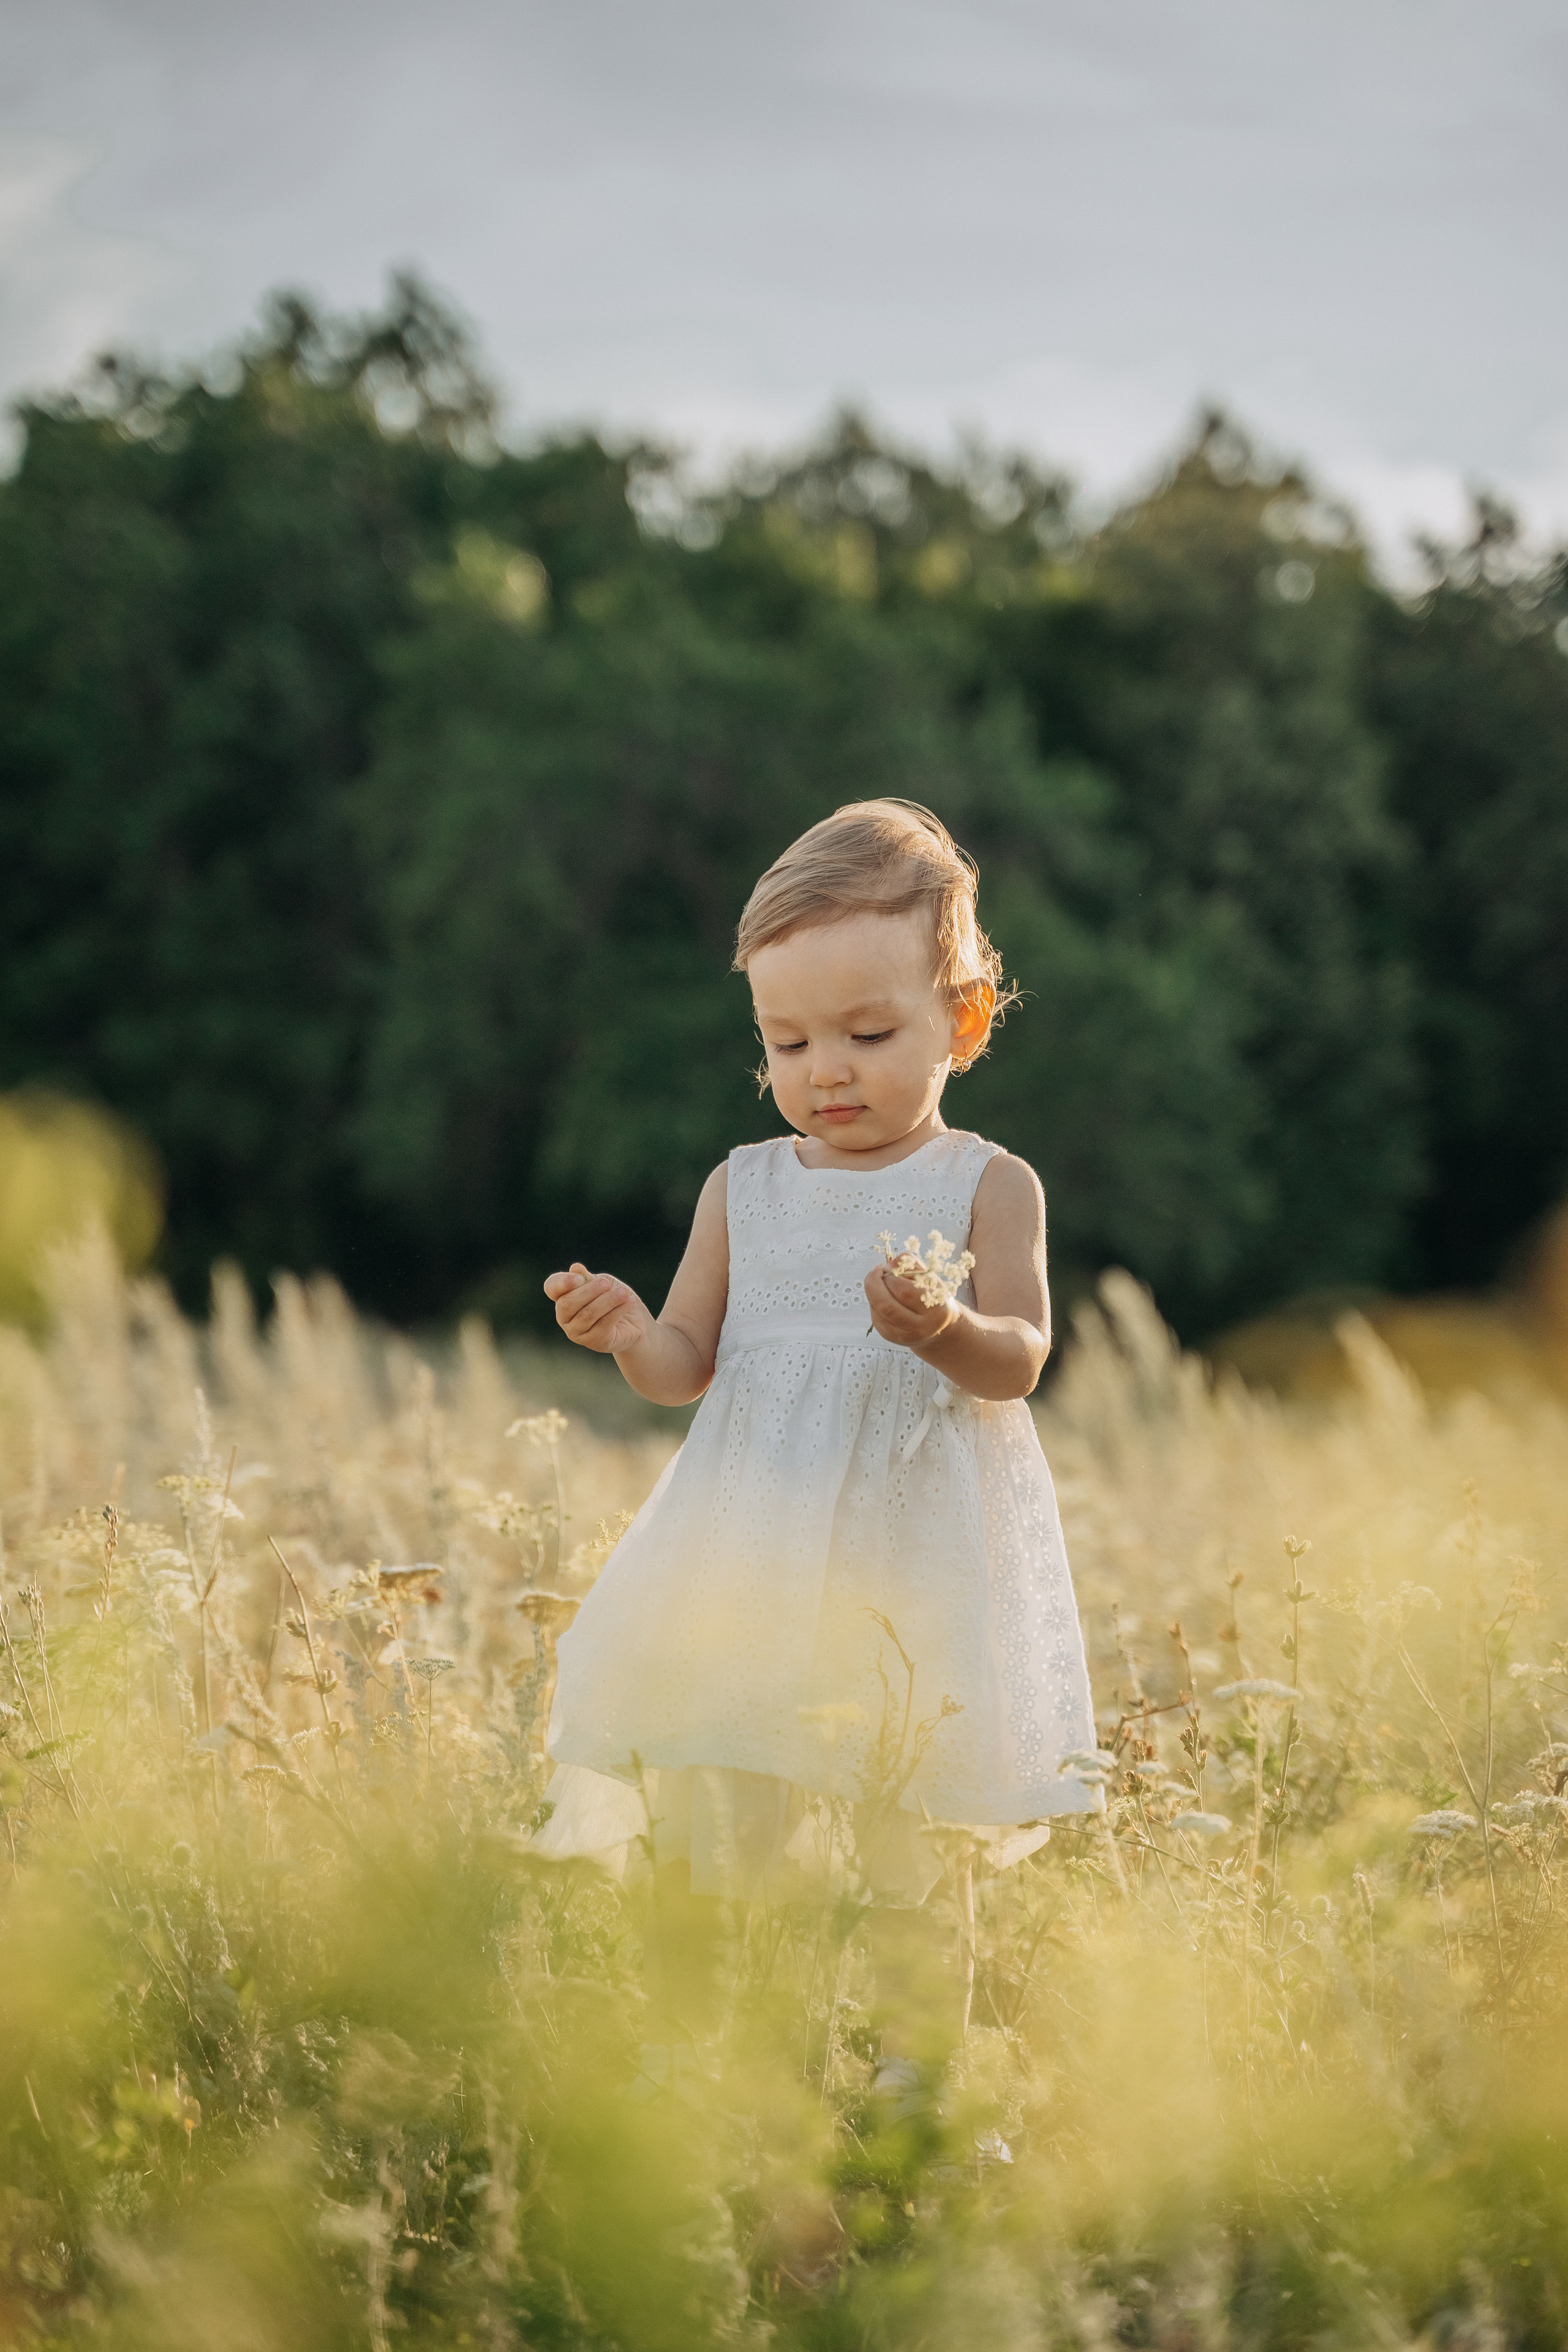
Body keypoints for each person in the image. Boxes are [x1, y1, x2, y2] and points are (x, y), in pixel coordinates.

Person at [533, 798, 1097, 2071]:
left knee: (901, 1842)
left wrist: (940, 1328)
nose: (822, 1070)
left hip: (909, 1572)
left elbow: (1018, 1360)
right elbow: (685, 1368)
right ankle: (713, 2081)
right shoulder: (744, 1188)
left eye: (864, 1032)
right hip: (749, 1557)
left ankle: (912, 2103)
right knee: (720, 1818)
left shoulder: (985, 1185)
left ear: (962, 1020)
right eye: (784, 1041)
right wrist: (627, 1329)